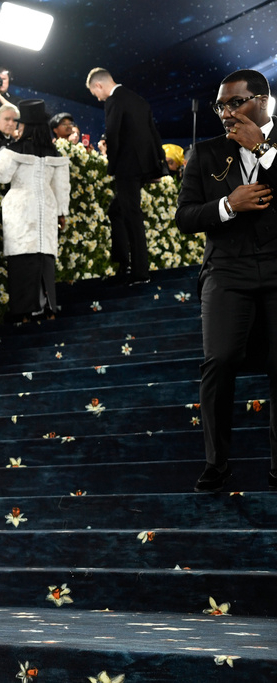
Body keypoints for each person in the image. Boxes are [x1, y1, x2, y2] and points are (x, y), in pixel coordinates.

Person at [175, 68, 277, 493]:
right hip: (226, 271)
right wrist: (228, 205)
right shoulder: (206, 152)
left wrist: (264, 150)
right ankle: (216, 464)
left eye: (236, 102)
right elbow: (184, 217)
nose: (226, 113)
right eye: (220, 105)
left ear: (263, 101)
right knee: (217, 362)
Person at [0, 99, 71, 322]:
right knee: (44, 257)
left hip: (21, 209)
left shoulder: (13, 151)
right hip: (47, 209)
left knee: (23, 258)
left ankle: (25, 312)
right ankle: (47, 308)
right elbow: (62, 188)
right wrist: (62, 213)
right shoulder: (55, 154)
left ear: (25, 126)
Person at [86, 67, 166, 286]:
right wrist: (158, 167)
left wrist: (109, 158)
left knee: (132, 216)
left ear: (98, 85)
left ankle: (139, 272)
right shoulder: (138, 99)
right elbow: (153, 133)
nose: (97, 98)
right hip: (143, 166)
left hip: (126, 167)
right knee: (117, 210)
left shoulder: (113, 101)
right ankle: (124, 262)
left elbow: (113, 134)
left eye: (95, 93)